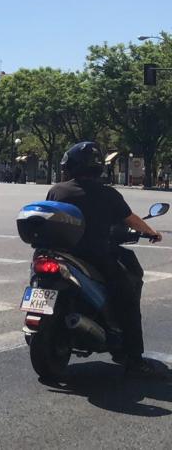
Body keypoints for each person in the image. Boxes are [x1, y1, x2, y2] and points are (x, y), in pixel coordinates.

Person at [47, 141, 163, 377]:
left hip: (59, 253)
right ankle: (134, 359)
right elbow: (130, 219)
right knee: (128, 296)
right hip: (95, 256)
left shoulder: (58, 190)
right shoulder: (107, 194)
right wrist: (151, 232)